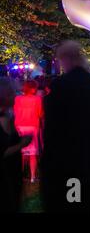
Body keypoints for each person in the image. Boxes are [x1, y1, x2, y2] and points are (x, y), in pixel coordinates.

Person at [41, 41, 90, 213]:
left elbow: (51, 133)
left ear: (64, 60)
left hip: (68, 163)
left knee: (73, 203)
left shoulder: (59, 89)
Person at [0, 77, 32, 212]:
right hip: (6, 175)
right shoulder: (3, 119)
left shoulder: (8, 116)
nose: (16, 96)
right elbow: (2, 151)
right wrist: (22, 144)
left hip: (11, 172)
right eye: (13, 92)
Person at [14, 80, 43, 183]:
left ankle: (20, 176)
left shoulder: (17, 98)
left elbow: (15, 112)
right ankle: (32, 177)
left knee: (21, 153)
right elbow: (40, 114)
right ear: (32, 88)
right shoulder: (37, 99)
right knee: (33, 153)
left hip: (19, 126)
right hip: (32, 126)